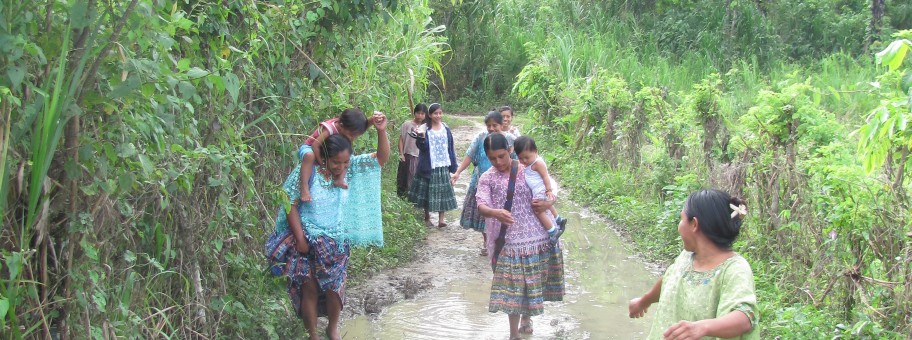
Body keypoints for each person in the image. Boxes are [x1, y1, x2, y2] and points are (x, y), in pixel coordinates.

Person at [267, 113, 390, 340]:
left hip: (336, 244)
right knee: (310, 290)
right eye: (335, 162)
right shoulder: (308, 172)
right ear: (323, 157)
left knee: (335, 290)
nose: (340, 167)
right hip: (307, 243)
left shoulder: (348, 169)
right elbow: (289, 202)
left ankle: (332, 328)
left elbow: (380, 159)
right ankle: (312, 334)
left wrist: (381, 130)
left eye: (344, 162)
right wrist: (301, 239)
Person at [628, 189, 759, 340]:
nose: (679, 226)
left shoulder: (734, 269)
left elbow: (744, 318)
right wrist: (644, 301)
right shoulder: (687, 257)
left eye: (681, 219)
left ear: (694, 224)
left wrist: (702, 327)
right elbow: (670, 281)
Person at [476, 133, 564, 340]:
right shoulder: (487, 178)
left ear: (509, 150)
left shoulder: (528, 166)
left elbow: (550, 188)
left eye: (501, 156)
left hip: (539, 238)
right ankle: (513, 335)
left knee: (532, 284)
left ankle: (527, 318)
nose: (498, 162)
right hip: (509, 242)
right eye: (492, 158)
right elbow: (481, 205)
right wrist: (494, 212)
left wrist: (548, 203)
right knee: (513, 290)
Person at [451, 111, 509, 255]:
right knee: (484, 213)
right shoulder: (481, 137)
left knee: (502, 213)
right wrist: (458, 172)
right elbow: (469, 155)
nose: (491, 128)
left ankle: (501, 242)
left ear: (502, 125)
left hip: (503, 184)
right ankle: (487, 241)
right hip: (481, 180)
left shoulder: (509, 140)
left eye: (494, 125)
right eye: (488, 125)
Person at [298, 108, 370, 202]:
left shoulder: (345, 129)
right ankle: (304, 187)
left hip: (325, 151)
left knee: (347, 158)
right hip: (309, 147)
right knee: (309, 156)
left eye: (356, 136)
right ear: (341, 125)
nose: (353, 138)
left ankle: (339, 179)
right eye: (351, 135)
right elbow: (315, 146)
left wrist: (372, 121)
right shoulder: (330, 130)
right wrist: (324, 166)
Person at [408, 103, 458, 227]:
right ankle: (427, 216)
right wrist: (421, 137)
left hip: (443, 164)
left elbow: (450, 146)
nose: (438, 115)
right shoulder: (424, 128)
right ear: (430, 115)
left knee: (443, 191)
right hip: (430, 165)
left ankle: (441, 220)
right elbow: (422, 147)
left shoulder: (445, 128)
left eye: (440, 113)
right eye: (435, 113)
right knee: (427, 192)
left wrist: (453, 164)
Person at [513, 136, 566, 242]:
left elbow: (546, 176)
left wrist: (548, 190)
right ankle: (558, 219)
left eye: (527, 157)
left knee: (537, 209)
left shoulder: (538, 163)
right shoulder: (526, 163)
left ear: (536, 152)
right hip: (540, 189)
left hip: (543, 188)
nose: (524, 161)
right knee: (547, 205)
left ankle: (552, 231)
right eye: (521, 158)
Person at [397, 104, 427, 197]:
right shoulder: (407, 124)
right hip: (407, 155)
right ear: (414, 113)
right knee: (404, 178)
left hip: (419, 156)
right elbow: (401, 139)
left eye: (422, 114)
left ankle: (415, 198)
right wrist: (401, 153)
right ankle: (403, 197)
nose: (420, 116)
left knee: (415, 179)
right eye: (418, 113)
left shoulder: (426, 127)